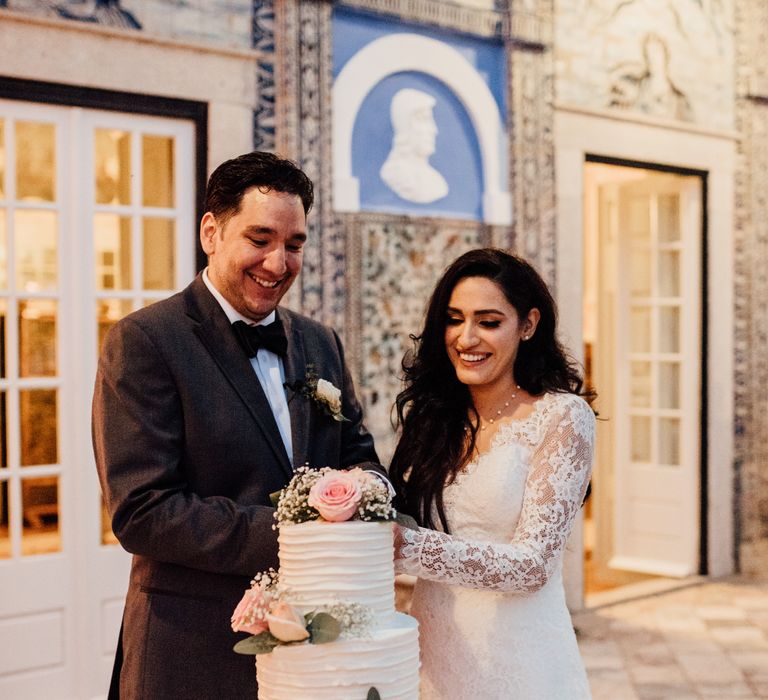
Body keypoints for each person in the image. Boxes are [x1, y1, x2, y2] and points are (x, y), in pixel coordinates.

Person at [92, 151, 382, 699]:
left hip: (313, 650)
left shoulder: (319, 341)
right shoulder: (145, 341)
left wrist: (372, 491)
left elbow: (357, 450)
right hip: (192, 652)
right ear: (211, 232)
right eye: (259, 239)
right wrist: (303, 537)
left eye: (294, 245)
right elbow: (143, 511)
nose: (278, 263)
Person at [390, 248, 595, 699]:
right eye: (454, 318)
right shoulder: (436, 417)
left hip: (520, 662)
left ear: (528, 325)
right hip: (434, 658)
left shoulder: (562, 417)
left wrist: (407, 546)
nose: (466, 338)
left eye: (488, 322)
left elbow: (534, 566)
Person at [379, 87, 449, 204]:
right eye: (424, 120)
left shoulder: (437, 181)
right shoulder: (393, 174)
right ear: (404, 125)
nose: (433, 130)